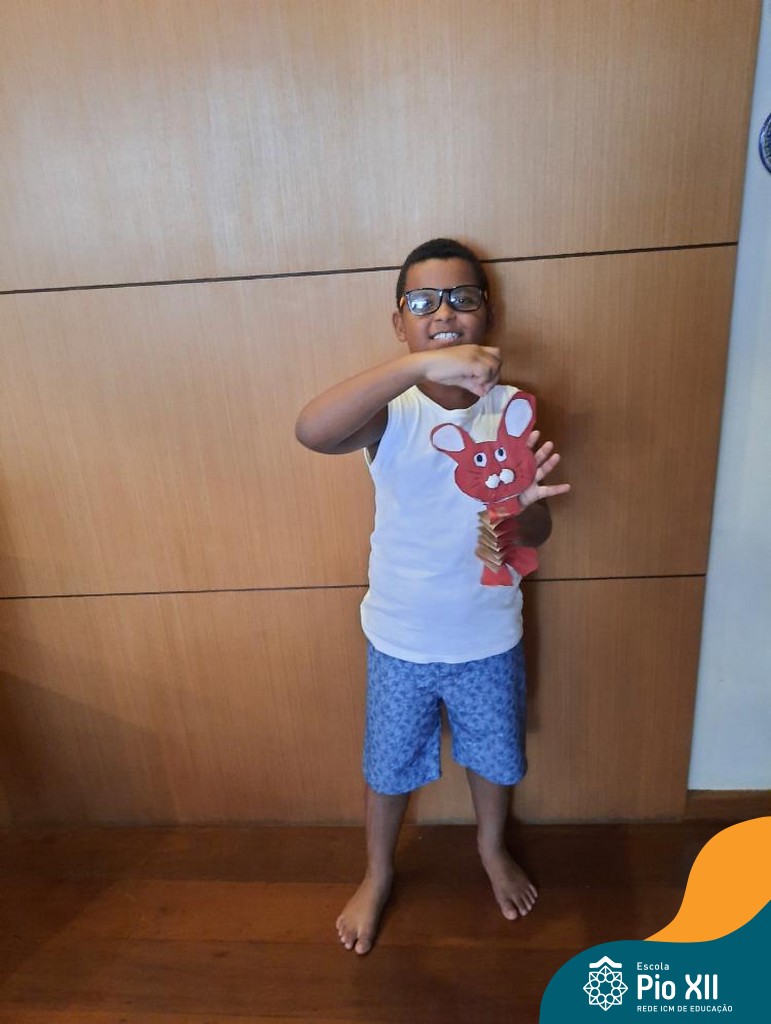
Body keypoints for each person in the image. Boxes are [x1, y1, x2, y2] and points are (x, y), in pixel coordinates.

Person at [295, 237, 570, 955]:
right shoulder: (392, 411)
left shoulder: (513, 408)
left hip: (488, 635)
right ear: (400, 323)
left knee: (493, 758)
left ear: (487, 314)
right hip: (400, 640)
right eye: (422, 303)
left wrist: (521, 510)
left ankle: (491, 848)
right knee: (388, 766)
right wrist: (418, 368)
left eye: (461, 298)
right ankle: (378, 871)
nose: (444, 313)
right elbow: (311, 431)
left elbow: (536, 526)